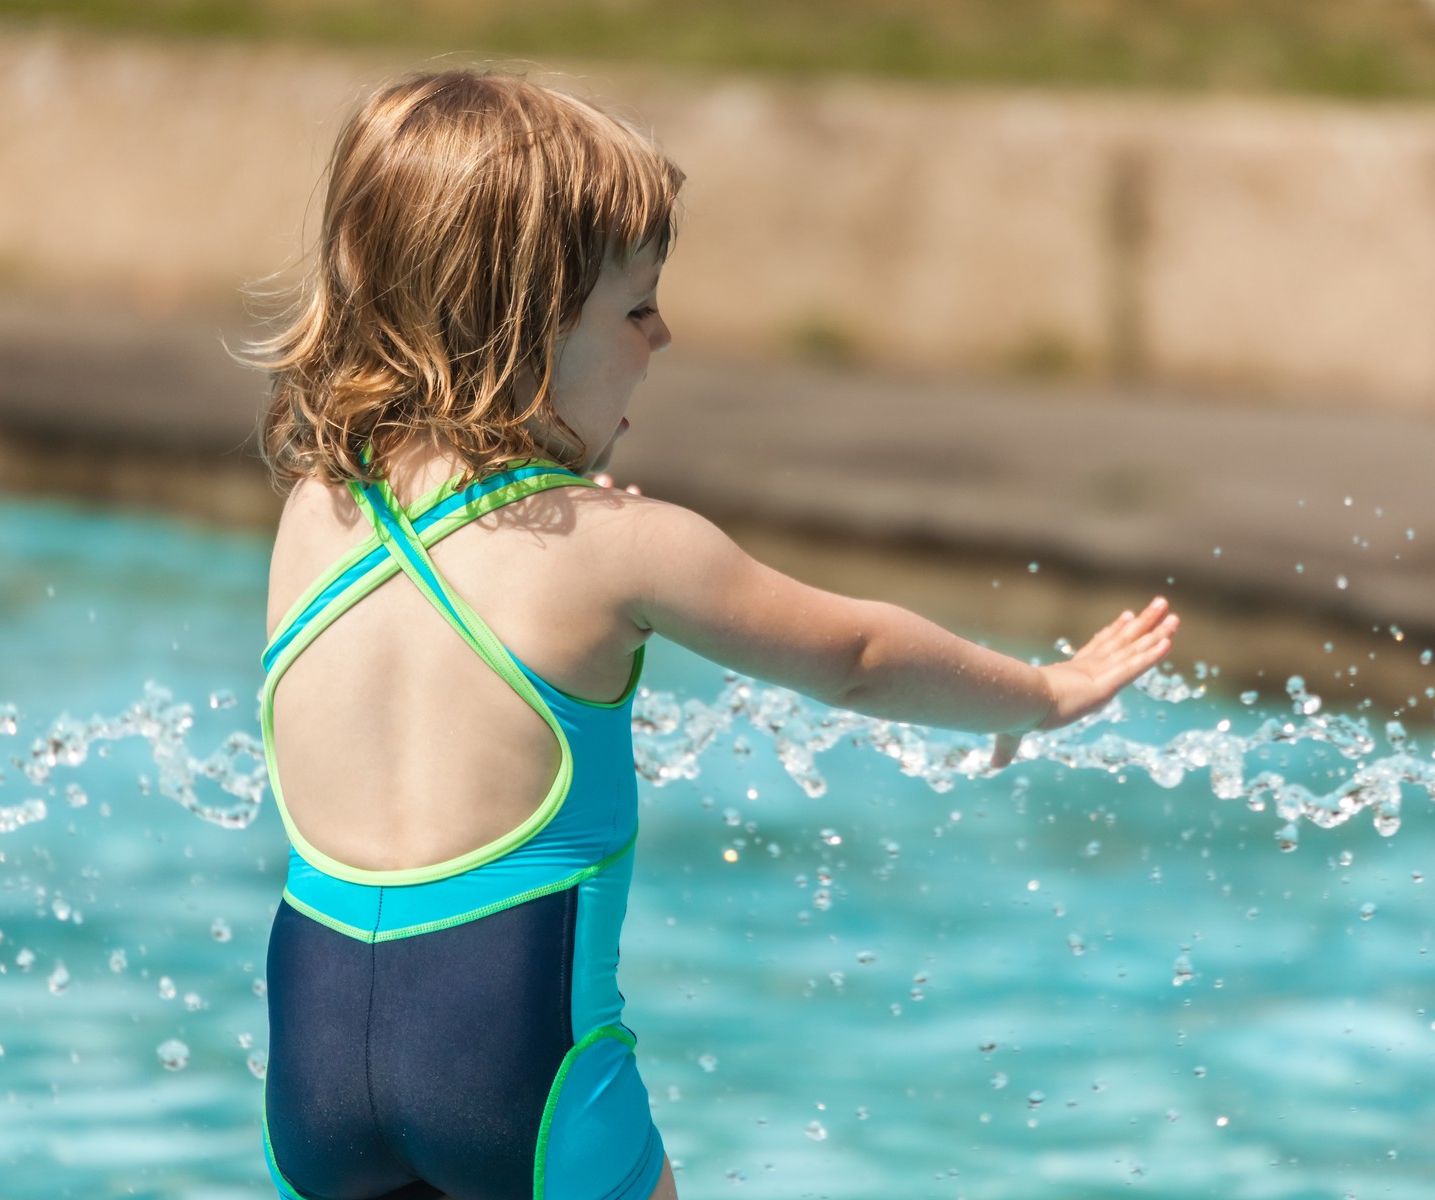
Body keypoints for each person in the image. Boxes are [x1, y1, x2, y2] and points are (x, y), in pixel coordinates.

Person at [251, 70, 1178, 1200]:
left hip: (312, 1077)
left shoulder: (317, 507)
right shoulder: (627, 548)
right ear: (527, 324)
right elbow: (861, 658)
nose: (665, 333)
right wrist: (1043, 692)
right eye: (636, 308)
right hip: (518, 1082)